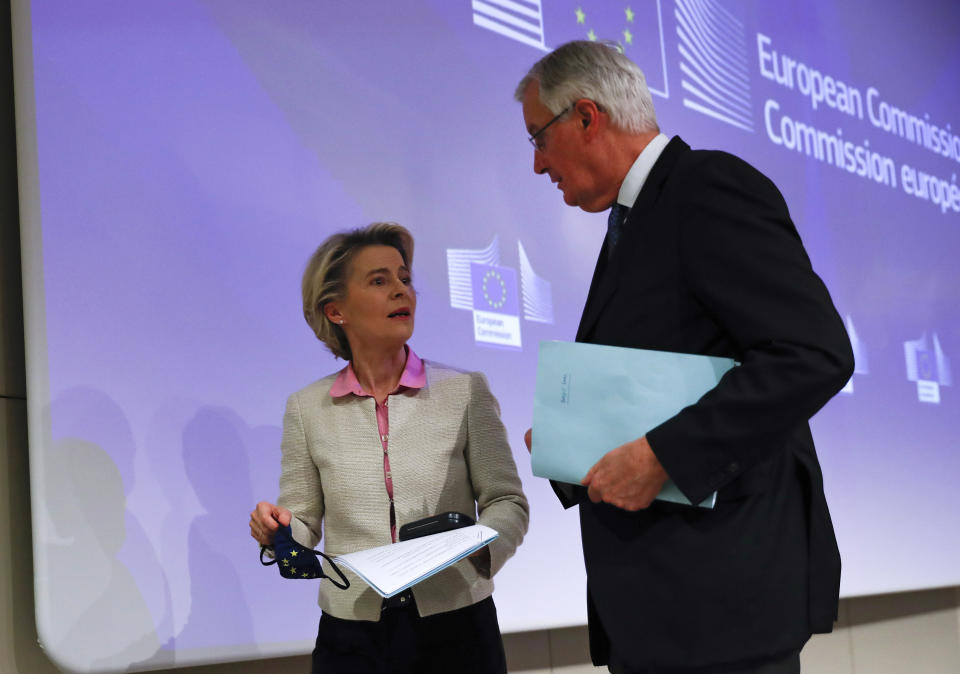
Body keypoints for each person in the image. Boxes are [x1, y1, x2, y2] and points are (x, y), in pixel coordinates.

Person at [515, 41, 854, 674]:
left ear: (586, 117)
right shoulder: (635, 220)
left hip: (719, 610)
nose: (538, 165)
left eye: (539, 137)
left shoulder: (707, 188)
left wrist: (663, 456)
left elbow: (813, 353)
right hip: (664, 612)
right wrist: (574, 439)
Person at [249, 222, 528, 674]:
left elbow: (506, 501)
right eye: (379, 281)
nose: (401, 290)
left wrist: (479, 548)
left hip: (456, 626)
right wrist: (278, 532)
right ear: (335, 310)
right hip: (352, 637)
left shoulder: (465, 391)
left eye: (404, 278)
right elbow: (302, 521)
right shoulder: (305, 409)